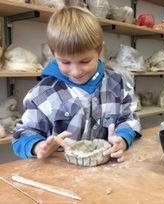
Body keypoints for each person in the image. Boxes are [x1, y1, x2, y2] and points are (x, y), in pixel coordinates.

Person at [12, 7, 141, 162]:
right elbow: (23, 133)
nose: (76, 72)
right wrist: (38, 146)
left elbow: (128, 120)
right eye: (65, 62)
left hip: (104, 173)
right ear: (54, 54)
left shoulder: (117, 84)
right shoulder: (42, 93)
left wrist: (122, 140)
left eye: (84, 61)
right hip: (60, 174)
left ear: (99, 50)